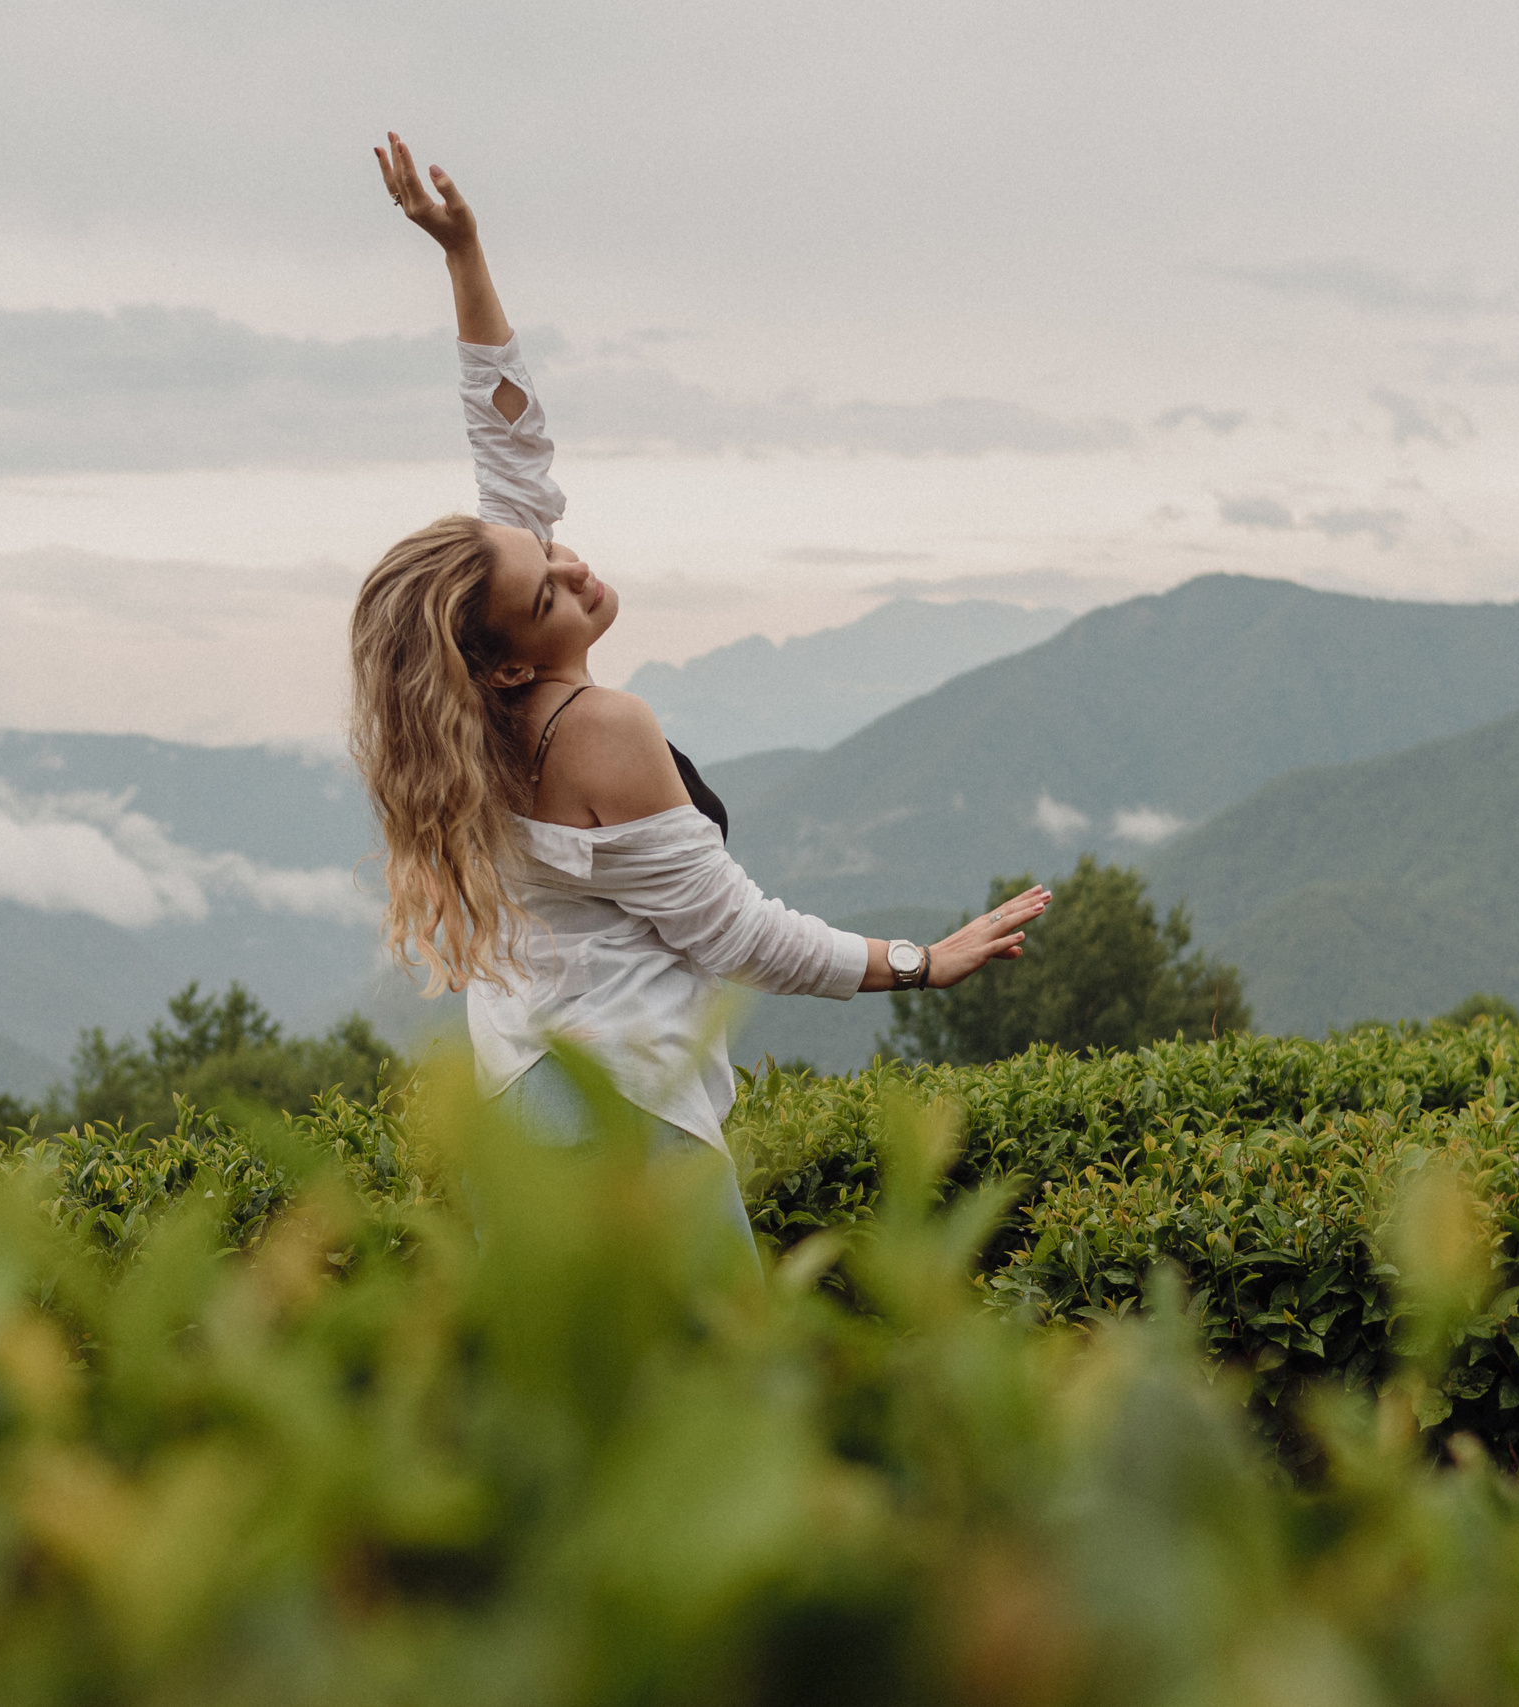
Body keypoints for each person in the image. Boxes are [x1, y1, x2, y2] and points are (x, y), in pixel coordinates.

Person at [348, 133, 1051, 1249]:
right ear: (515, 658)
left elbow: (511, 455)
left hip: (519, 1113)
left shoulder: (479, 725)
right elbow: (739, 937)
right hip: (616, 1121)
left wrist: (463, 255)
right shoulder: (601, 729)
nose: (574, 565)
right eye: (549, 590)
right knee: (725, 1402)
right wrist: (923, 962)